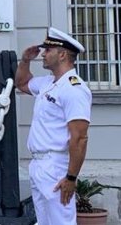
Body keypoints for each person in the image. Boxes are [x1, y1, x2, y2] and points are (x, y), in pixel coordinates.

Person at [15, 27, 92, 225]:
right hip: (38, 164)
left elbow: (80, 138)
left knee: (61, 221)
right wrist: (25, 60)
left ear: (62, 54)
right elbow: (22, 83)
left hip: (56, 165)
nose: (43, 54)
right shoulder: (48, 83)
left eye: (48, 50)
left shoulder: (74, 89)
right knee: (44, 221)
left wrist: (71, 178)